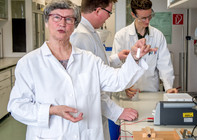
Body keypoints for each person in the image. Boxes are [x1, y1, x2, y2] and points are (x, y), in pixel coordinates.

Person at [7, 0, 155, 139]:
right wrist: (51, 110)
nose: (62, 23)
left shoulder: (89, 59)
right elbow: (17, 107)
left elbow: (117, 80)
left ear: (75, 24)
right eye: (56, 17)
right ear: (47, 22)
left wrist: (134, 58)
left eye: (69, 19)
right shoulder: (29, 63)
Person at [69, 0, 137, 139]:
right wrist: (117, 112)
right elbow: (86, 86)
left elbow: (95, 66)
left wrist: (116, 58)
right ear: (98, 10)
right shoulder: (81, 36)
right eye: (109, 12)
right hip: (88, 115)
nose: (109, 16)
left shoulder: (90, 32)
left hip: (96, 111)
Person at [111, 0, 178, 98]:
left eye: (149, 16)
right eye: (143, 18)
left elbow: (165, 65)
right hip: (128, 93)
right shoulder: (121, 36)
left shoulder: (158, 36)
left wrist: (168, 88)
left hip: (151, 92)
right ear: (133, 15)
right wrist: (123, 86)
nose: (147, 21)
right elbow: (116, 67)